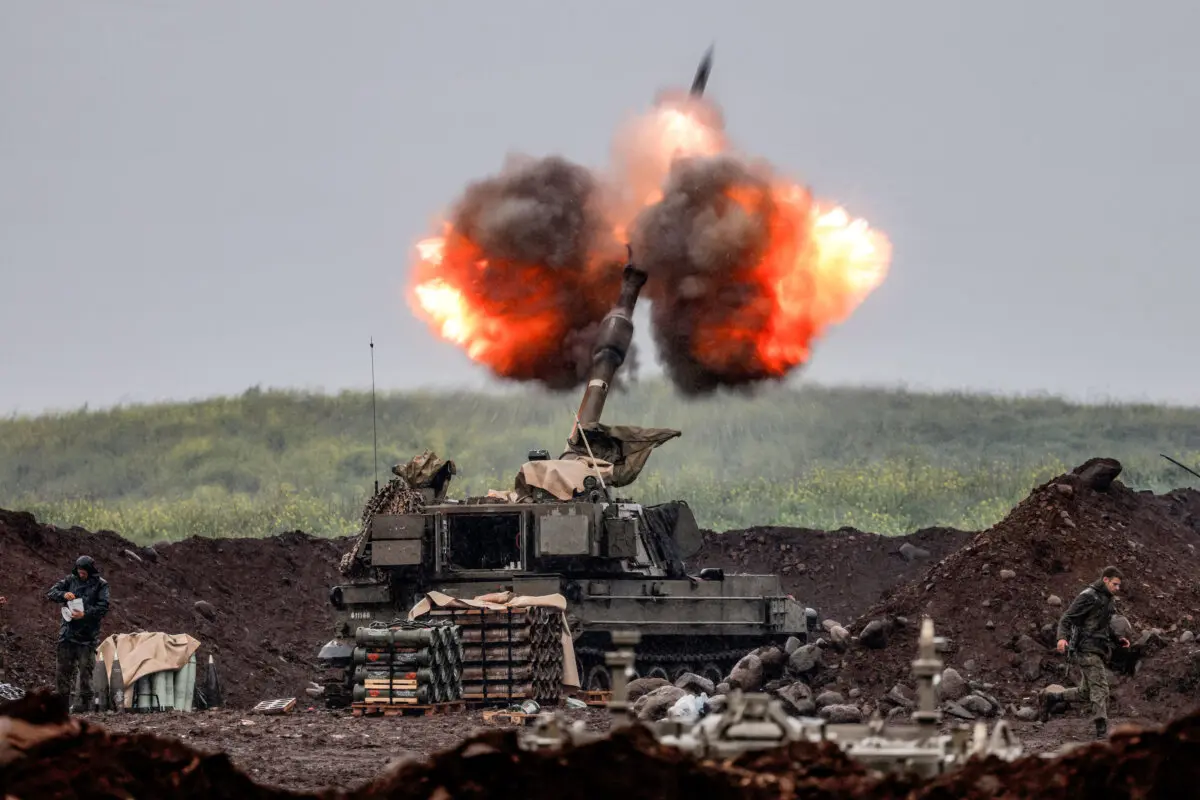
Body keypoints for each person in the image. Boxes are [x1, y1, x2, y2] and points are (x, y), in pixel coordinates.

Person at [1038, 566, 1129, 739]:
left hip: (1097, 648)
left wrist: (1118, 639)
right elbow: (1067, 617)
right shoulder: (1088, 596)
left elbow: (1105, 625)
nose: (1118, 588)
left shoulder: (1107, 599)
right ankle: (1102, 730)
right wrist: (1061, 638)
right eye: (1115, 584)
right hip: (1086, 648)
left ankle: (1052, 698)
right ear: (1105, 580)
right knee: (1101, 687)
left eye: (1119, 585)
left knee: (1086, 692)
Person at [45, 555, 110, 712]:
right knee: (63, 673)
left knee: (86, 674)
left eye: (84, 572)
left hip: (87, 638)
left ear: (90, 571)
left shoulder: (101, 585)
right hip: (67, 635)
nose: (81, 575)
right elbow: (51, 592)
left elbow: (103, 607)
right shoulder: (70, 580)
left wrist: (85, 614)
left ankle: (86, 708)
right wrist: (63, 595)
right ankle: (62, 709)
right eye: (79, 572)